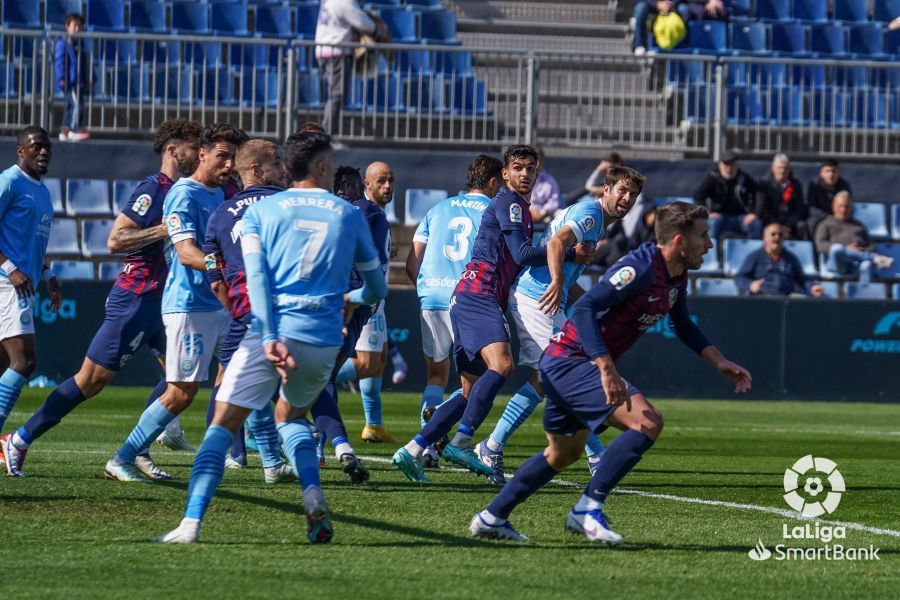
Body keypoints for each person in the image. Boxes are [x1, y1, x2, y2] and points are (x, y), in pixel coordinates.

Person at [469, 202, 752, 544]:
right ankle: (587, 509)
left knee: (562, 454)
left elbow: (681, 322)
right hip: (572, 361)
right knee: (648, 421)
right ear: (679, 241)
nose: (709, 244)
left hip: (565, 366)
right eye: (704, 236)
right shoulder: (640, 267)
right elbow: (587, 306)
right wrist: (604, 365)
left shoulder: (677, 274)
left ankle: (491, 517)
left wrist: (718, 360)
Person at [155, 130, 387, 545]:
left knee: (222, 426)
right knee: (292, 417)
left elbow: (257, 277)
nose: (333, 169)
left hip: (268, 332)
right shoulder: (348, 212)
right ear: (318, 167)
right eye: (330, 163)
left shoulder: (262, 212)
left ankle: (190, 524)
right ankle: (313, 495)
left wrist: (267, 335)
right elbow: (376, 289)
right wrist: (348, 298)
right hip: (321, 339)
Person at [0, 118, 203, 478]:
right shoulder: (153, 190)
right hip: (135, 298)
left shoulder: (182, 191)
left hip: (163, 299)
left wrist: (47, 273)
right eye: (192, 146)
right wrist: (165, 228)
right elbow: (116, 240)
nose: (197, 152)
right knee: (81, 379)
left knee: (183, 381)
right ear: (173, 149)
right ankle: (18, 439)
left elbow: (34, 240)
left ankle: (134, 452)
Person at [391, 145, 593, 482]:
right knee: (503, 365)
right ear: (504, 175)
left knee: (468, 391)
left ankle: (413, 448)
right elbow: (523, 253)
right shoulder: (510, 202)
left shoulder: (519, 208)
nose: (525, 174)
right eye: (518, 168)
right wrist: (570, 252)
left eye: (531, 168)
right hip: (478, 294)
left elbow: (519, 259)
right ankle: (462, 441)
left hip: (471, 296)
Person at [474, 166, 646, 486]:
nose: (627, 198)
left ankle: (493, 446)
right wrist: (556, 282)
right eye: (621, 190)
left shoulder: (595, 219)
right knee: (564, 375)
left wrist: (584, 299)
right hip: (537, 299)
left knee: (552, 378)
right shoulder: (591, 214)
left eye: (633, 194)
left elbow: (564, 266)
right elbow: (555, 245)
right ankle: (495, 446)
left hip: (542, 298)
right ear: (604, 190)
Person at [104, 123, 248, 482]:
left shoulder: (218, 195)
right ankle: (124, 456)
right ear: (202, 154)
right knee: (181, 392)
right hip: (188, 306)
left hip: (216, 302)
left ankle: (270, 457)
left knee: (245, 372)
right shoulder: (183, 194)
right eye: (222, 156)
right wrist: (232, 267)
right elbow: (186, 254)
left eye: (234, 158)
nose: (228, 165)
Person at [201, 139, 297, 483]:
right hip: (289, 309)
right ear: (256, 169)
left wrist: (235, 311)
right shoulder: (288, 203)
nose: (283, 169)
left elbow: (214, 277)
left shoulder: (218, 216)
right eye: (276, 163)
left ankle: (252, 457)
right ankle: (286, 456)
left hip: (245, 312)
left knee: (232, 382)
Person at [405, 155, 503, 466]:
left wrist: (425, 290)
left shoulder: (437, 209)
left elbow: (412, 261)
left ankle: (427, 446)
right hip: (465, 301)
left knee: (435, 375)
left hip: (431, 296)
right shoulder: (491, 210)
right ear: (491, 182)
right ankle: (445, 437)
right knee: (478, 380)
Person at [308, 165, 378, 483]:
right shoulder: (359, 213)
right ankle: (330, 447)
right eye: (350, 185)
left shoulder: (322, 214)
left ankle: (323, 447)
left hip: (327, 302)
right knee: (323, 379)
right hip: (348, 301)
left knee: (318, 380)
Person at [0, 127, 60, 442]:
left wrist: (48, 275)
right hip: (7, 284)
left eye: (47, 147)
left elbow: (28, 243)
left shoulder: (42, 191)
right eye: (36, 146)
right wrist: (10, 269)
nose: (44, 152)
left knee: (4, 366)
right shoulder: (9, 182)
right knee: (24, 361)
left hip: (23, 283)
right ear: (21, 150)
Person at [331, 162, 395, 443]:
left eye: (391, 180)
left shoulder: (375, 213)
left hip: (373, 298)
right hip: (361, 294)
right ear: (365, 185)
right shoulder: (364, 212)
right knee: (367, 363)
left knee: (379, 360)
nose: (388, 186)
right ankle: (318, 378)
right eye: (381, 181)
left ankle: (374, 424)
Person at [315, 0, 376, 137]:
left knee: (335, 95)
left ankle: (327, 136)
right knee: (336, 95)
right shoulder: (345, 1)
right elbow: (365, 24)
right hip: (336, 53)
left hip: (324, 51)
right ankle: (327, 137)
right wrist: (375, 26)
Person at [815, 192, 894, 283]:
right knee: (837, 249)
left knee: (867, 265)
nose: (844, 210)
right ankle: (874, 258)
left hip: (856, 263)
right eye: (840, 206)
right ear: (833, 206)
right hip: (837, 263)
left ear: (852, 207)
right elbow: (820, 244)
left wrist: (859, 250)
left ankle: (864, 294)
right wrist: (846, 249)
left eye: (847, 206)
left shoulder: (858, 225)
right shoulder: (825, 224)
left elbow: (871, 246)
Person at [736, 224, 824, 297]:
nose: (777, 237)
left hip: (787, 297)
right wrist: (750, 284)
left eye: (780, 235)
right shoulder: (755, 256)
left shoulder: (790, 257)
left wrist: (812, 287)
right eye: (773, 234)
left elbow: (803, 279)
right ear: (765, 237)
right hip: (763, 297)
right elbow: (740, 277)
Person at [693, 152, 762, 241]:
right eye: (726, 165)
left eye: (732, 165)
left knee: (755, 224)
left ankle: (752, 253)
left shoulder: (743, 177)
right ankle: (711, 253)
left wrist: (754, 213)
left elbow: (759, 194)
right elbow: (698, 195)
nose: (729, 169)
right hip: (720, 217)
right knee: (712, 224)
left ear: (737, 165)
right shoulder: (713, 177)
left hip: (741, 218)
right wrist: (707, 213)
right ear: (720, 165)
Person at [755, 153, 808, 240]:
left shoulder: (795, 185)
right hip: (770, 222)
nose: (783, 171)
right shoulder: (764, 184)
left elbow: (799, 209)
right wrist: (777, 226)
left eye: (786, 168)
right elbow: (762, 209)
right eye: (780, 168)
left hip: (789, 223)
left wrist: (787, 226)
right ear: (773, 168)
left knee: (802, 226)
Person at [55, 13, 90, 142]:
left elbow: (84, 63)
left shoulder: (80, 43)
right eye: (75, 25)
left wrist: (90, 78)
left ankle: (65, 131)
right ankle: (73, 129)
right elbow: (60, 62)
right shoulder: (63, 43)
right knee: (76, 105)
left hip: (79, 81)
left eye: (79, 26)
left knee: (71, 105)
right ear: (67, 26)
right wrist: (61, 77)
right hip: (71, 81)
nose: (77, 29)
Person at [806, 159, 852, 237]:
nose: (831, 174)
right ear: (821, 173)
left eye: (833, 171)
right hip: (820, 217)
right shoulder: (814, 184)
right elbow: (812, 207)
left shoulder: (844, 185)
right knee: (810, 224)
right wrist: (827, 217)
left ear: (838, 173)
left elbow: (849, 204)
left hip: (840, 217)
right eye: (827, 171)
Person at [529, 146, 561, 224]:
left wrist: (542, 213)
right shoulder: (521, 178)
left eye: (540, 160)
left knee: (561, 214)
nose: (538, 164)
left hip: (545, 215)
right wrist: (529, 211)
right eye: (534, 160)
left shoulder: (550, 180)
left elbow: (554, 201)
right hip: (525, 212)